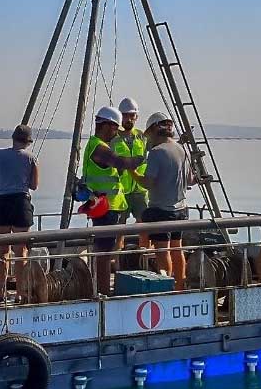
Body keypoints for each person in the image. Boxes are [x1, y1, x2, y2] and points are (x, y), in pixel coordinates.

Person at [82, 105, 145, 295]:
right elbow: (121, 162)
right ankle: (103, 291)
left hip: (106, 206)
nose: (116, 132)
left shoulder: (95, 145)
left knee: (105, 250)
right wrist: (145, 156)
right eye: (114, 128)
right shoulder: (99, 148)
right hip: (105, 208)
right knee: (104, 253)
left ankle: (101, 288)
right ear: (107, 125)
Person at [0, 124, 39, 300]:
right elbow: (34, 185)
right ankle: (19, 293)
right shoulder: (31, 158)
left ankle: (2, 291)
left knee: (2, 249)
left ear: (13, 138)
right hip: (21, 203)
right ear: (28, 142)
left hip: (1, 203)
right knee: (21, 251)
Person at [139, 112, 192, 290]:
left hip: (161, 211)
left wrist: (131, 171)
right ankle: (180, 286)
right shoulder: (182, 150)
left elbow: (148, 183)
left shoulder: (156, 152)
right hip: (182, 210)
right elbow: (190, 179)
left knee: (163, 251)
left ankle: (166, 288)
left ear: (154, 130)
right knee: (177, 249)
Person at [113, 97, 149, 247]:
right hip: (121, 190)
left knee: (144, 224)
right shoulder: (113, 139)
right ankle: (116, 259)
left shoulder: (142, 137)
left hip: (139, 189)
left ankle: (143, 255)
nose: (129, 119)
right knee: (119, 227)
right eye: (125, 115)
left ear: (136, 117)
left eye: (131, 115)